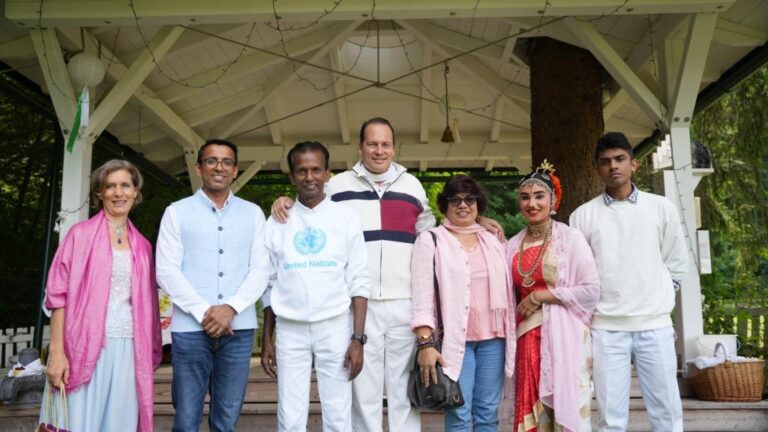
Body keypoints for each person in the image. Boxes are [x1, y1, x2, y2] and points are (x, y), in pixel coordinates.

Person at [270, 117, 503, 431]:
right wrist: (283, 202)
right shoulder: (337, 186)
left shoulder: (412, 186)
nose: (379, 150)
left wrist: (475, 222)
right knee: (362, 391)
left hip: (404, 302)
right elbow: (309, 211)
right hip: (357, 305)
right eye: (372, 144)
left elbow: (434, 234)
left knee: (403, 392)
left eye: (385, 144)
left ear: (394, 148)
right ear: (360, 147)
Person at [570, 132, 688, 432]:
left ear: (633, 164)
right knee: (610, 418)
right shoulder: (582, 217)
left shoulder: (661, 208)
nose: (613, 166)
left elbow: (676, 262)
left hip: (655, 325)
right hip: (606, 328)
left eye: (620, 159)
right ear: (597, 168)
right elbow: (579, 274)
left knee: (667, 414)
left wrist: (660, 298)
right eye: (605, 161)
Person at [156, 139, 272, 432]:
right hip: (190, 330)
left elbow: (261, 269)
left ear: (235, 170)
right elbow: (166, 271)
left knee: (227, 418)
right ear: (199, 167)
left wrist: (230, 308)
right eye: (211, 161)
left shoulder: (253, 213)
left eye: (227, 162)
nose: (219, 167)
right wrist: (205, 312)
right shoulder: (176, 212)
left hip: (238, 328)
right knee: (186, 418)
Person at [41, 159, 162, 432]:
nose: (119, 193)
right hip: (83, 346)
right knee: (78, 420)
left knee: (120, 424)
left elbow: (149, 306)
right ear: (100, 192)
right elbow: (57, 297)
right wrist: (57, 353)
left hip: (130, 347)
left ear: (135, 192)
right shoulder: (79, 235)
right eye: (111, 186)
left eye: (125, 186)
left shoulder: (143, 246)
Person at [260, 141, 370, 431]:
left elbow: (359, 280)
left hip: (335, 326)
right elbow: (270, 283)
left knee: (338, 412)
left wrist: (357, 339)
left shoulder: (345, 218)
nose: (309, 177)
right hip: (290, 328)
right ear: (292, 176)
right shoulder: (277, 220)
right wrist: (267, 339)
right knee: (290, 413)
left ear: (327, 173)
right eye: (302, 170)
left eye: (316, 170)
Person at [411, 175, 516, 431]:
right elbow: (422, 297)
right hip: (456, 342)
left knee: (488, 413)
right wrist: (425, 343)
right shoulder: (431, 240)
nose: (462, 205)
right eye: (454, 199)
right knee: (459, 413)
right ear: (444, 205)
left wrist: (481, 222)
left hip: (494, 339)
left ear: (478, 203)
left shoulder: (493, 239)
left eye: (469, 199)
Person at [508, 161, 600, 431]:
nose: (532, 204)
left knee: (566, 412)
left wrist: (540, 296)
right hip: (526, 339)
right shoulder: (511, 245)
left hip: (564, 337)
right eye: (525, 197)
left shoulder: (570, 239)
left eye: (539, 196)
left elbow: (590, 290)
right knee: (532, 415)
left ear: (553, 200)